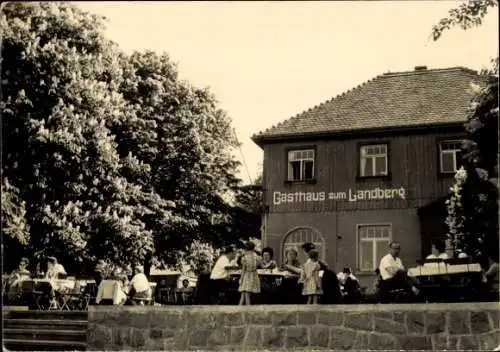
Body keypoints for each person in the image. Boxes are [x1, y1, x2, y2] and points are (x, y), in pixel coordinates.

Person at [238, 241, 261, 305]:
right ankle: (240, 308)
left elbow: (243, 270)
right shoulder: (257, 257)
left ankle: (247, 309)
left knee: (246, 294)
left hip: (247, 275)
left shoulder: (244, 257)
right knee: (244, 293)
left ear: (246, 248)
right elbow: (259, 265)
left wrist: (241, 279)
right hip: (254, 275)